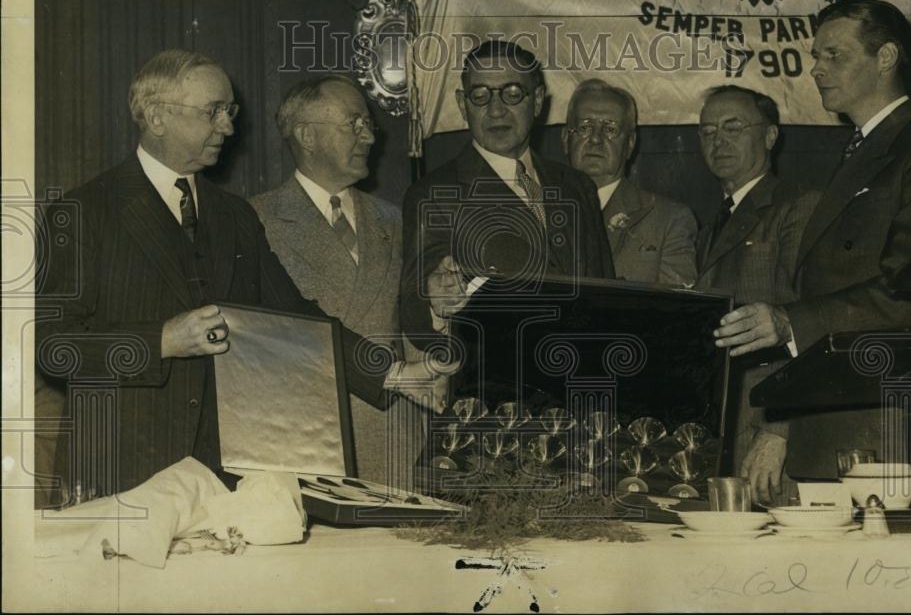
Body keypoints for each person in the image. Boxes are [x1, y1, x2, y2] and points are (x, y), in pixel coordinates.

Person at [34, 50, 387, 504]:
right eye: (213, 112)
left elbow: (296, 318)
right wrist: (161, 340)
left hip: (223, 479)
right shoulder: (84, 211)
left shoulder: (234, 215)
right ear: (157, 117)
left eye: (230, 111)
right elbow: (52, 346)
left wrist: (390, 371)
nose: (229, 127)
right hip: (118, 477)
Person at [713, 0, 911, 490]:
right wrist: (784, 425)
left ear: (885, 58)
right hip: (836, 429)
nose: (815, 69)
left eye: (833, 55)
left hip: (889, 433)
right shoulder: (859, 153)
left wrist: (786, 320)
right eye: (816, 56)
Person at [251, 75, 430, 487]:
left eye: (368, 125)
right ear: (307, 135)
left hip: (392, 436)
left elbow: (412, 326)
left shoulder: (393, 219)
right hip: (304, 442)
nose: (369, 136)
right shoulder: (256, 220)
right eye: (354, 123)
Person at [399, 40, 615, 348]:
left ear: (538, 100)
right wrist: (436, 305)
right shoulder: (433, 194)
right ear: (463, 105)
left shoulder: (577, 186)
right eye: (480, 95)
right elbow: (414, 312)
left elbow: (606, 293)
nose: (496, 110)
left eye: (513, 93)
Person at [693, 84, 819, 500]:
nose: (719, 140)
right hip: (722, 436)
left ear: (769, 136)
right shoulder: (712, 224)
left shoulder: (798, 205)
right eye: (708, 131)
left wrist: (779, 431)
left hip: (769, 438)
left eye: (733, 127)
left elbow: (812, 323)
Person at [561, 78, 697, 287]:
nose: (596, 139)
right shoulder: (535, 208)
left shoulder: (668, 220)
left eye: (610, 129)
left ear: (630, 143)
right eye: (585, 127)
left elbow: (677, 312)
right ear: (565, 139)